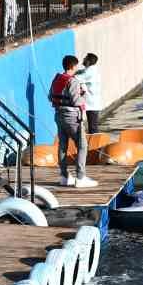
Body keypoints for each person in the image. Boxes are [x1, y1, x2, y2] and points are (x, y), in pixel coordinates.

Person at [49, 55, 96, 188]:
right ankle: (80, 177)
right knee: (82, 145)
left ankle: (64, 176)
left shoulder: (57, 78)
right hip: (72, 117)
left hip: (59, 115)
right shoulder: (73, 81)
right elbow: (76, 101)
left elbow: (50, 96)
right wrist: (83, 93)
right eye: (76, 66)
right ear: (72, 66)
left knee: (62, 145)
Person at [77, 52, 103, 137]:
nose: (83, 59)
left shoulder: (90, 72)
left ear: (88, 61)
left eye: (85, 58)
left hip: (92, 104)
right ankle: (95, 148)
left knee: (93, 128)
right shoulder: (91, 70)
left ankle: (96, 149)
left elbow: (77, 78)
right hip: (91, 103)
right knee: (93, 127)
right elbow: (81, 72)